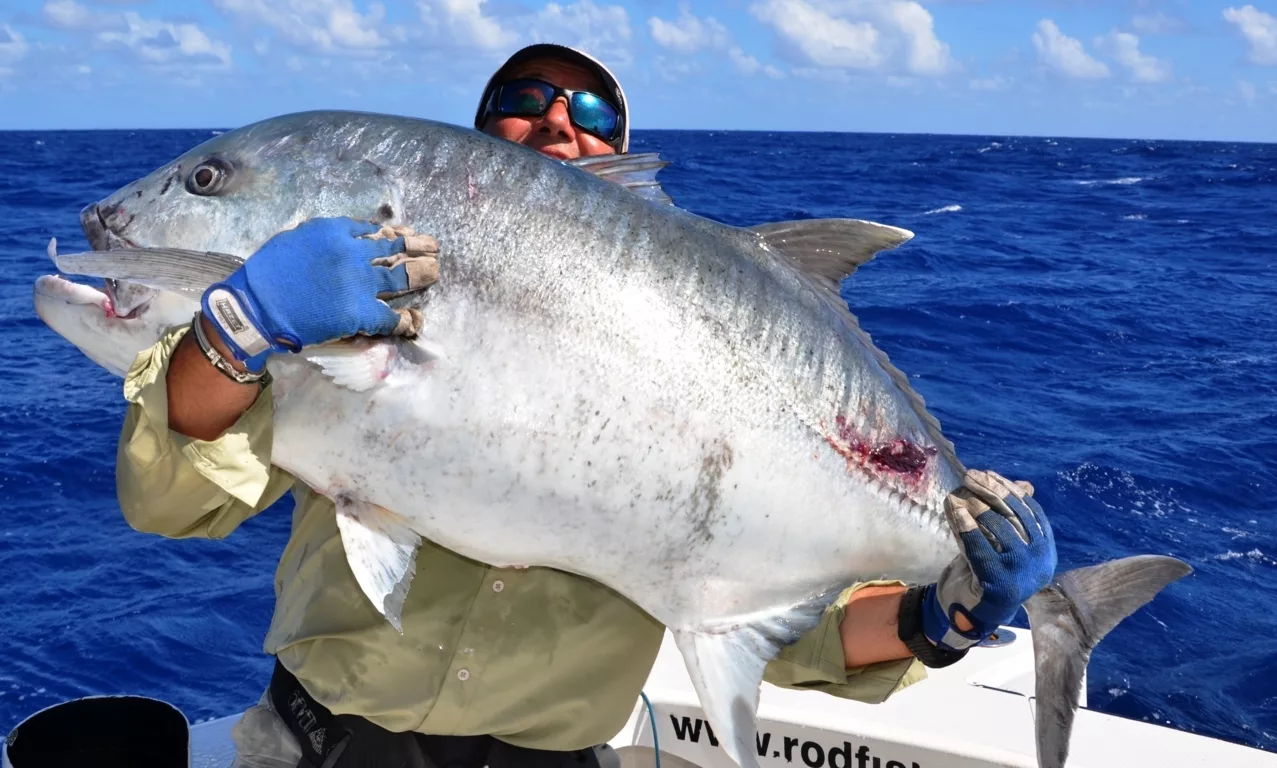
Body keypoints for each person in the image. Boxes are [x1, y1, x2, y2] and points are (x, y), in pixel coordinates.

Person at [114, 43, 1056, 768]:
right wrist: (239, 328)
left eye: (590, 111)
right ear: (470, 144)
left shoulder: (677, 345)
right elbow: (173, 503)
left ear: (621, 154)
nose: (556, 122)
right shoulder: (320, 314)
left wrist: (950, 619)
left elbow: (802, 633)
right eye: (521, 104)